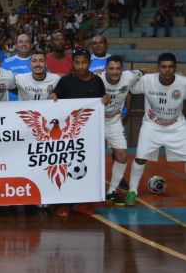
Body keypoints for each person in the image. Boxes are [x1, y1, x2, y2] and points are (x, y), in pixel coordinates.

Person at [50, 49, 109, 217]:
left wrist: (105, 99)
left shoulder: (97, 81)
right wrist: (52, 96)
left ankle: (83, 202)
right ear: (72, 63)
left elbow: (102, 100)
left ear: (90, 63)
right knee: (64, 167)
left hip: (89, 134)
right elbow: (54, 99)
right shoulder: (65, 81)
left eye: (84, 62)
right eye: (77, 62)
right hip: (67, 134)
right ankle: (62, 203)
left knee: (87, 167)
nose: (81, 66)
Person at [126, 53, 186, 206]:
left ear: (175, 68)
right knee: (140, 157)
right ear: (158, 68)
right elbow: (129, 87)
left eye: (171, 67)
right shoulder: (147, 81)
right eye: (164, 67)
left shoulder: (183, 83)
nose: (167, 70)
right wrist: (143, 71)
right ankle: (132, 191)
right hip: (152, 125)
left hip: (176, 126)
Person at [97, 56, 150, 205]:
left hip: (114, 123)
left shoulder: (129, 77)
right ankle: (88, 189)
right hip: (95, 123)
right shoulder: (96, 79)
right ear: (105, 68)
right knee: (90, 156)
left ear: (123, 69)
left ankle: (112, 191)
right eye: (111, 68)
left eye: (118, 68)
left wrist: (174, 73)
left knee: (121, 155)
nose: (114, 72)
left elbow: (145, 71)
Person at [2, 33, 32, 101]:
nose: (24, 44)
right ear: (15, 45)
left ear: (31, 45)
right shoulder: (6, 62)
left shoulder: (37, 62)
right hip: (11, 105)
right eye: (20, 42)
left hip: (31, 103)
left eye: (27, 41)